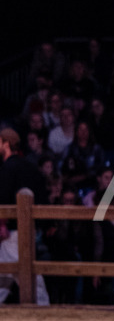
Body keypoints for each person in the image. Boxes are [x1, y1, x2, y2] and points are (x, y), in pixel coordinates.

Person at [0, 128, 50, 305]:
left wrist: (2, 224)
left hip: (13, 230)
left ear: (6, 143)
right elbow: (42, 195)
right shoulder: (30, 166)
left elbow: (3, 198)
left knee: (23, 269)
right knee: (7, 269)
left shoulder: (8, 168)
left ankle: (43, 304)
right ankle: (43, 303)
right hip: (30, 229)